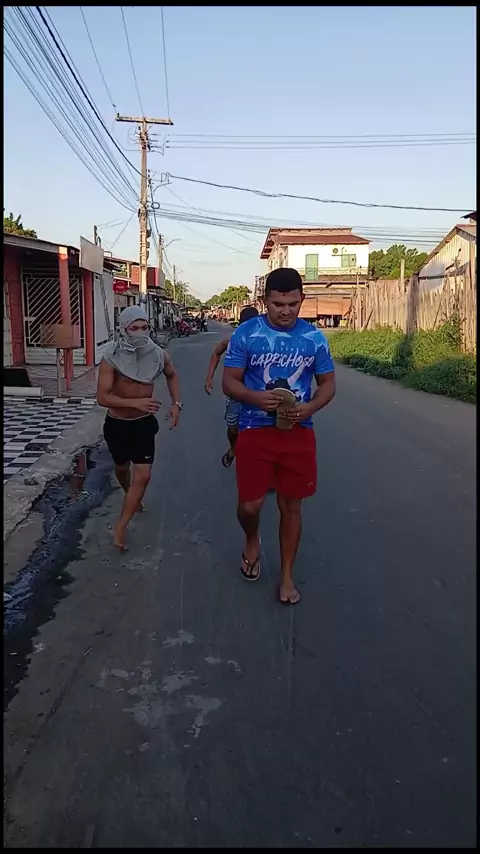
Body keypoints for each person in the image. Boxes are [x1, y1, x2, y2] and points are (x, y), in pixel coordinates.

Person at [222, 268, 335, 604]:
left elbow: (328, 385)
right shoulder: (246, 334)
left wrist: (310, 407)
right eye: (278, 304)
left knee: (291, 505)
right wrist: (255, 398)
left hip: (298, 432)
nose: (286, 311)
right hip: (254, 429)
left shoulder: (314, 338)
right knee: (250, 505)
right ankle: (252, 539)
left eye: (293, 304)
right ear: (264, 301)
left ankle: (287, 576)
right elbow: (230, 381)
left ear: (302, 300)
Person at [96, 306, 182, 551]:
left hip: (144, 424)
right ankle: (129, 494)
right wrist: (135, 402)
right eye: (134, 328)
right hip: (118, 424)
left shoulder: (158, 354)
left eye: (144, 327)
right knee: (122, 468)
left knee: (143, 476)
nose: (140, 333)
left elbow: (172, 375)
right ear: (124, 329)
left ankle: (121, 527)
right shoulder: (111, 357)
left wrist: (176, 404)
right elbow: (102, 397)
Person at [205, 305, 259, 467]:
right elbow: (216, 353)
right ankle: (234, 449)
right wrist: (209, 378)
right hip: (235, 393)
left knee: (261, 429)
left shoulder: (266, 341)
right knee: (233, 428)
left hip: (258, 393)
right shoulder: (232, 339)